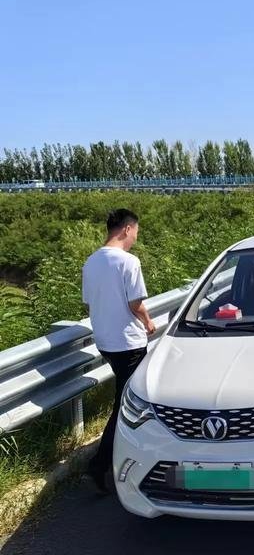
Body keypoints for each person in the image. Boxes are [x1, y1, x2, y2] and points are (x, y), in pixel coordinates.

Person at [82, 209, 155, 491]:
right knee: (127, 405)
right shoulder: (128, 261)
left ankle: (111, 461)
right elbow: (134, 304)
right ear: (126, 229)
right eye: (135, 230)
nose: (136, 236)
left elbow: (91, 303)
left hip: (106, 343)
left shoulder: (91, 261)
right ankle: (99, 467)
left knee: (123, 400)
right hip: (129, 344)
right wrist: (148, 322)